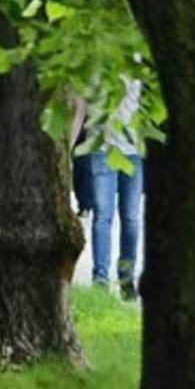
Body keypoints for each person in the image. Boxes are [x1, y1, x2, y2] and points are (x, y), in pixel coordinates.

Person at [70, 73, 147, 300]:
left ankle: (126, 278)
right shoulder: (95, 60)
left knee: (131, 217)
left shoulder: (139, 61)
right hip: (101, 149)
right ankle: (101, 279)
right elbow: (80, 108)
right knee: (103, 216)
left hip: (133, 151)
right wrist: (68, 148)